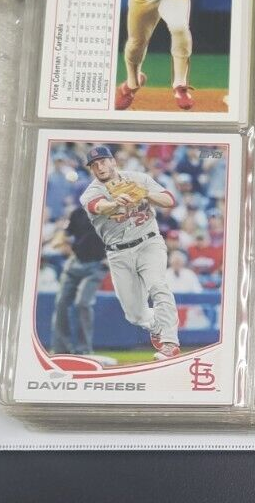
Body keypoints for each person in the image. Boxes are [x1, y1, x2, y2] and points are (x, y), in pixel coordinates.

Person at [79, 145, 181, 360]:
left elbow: (170, 200)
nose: (100, 167)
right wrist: (115, 202)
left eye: (103, 161)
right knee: (134, 314)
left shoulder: (138, 178)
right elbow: (98, 206)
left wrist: (145, 194)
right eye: (94, 165)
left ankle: (170, 342)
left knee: (158, 286)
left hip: (149, 243)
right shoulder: (90, 193)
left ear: (113, 161)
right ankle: (157, 326)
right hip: (119, 253)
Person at [49, 204, 108, 355]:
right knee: (61, 302)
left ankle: (84, 350)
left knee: (82, 303)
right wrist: (58, 239)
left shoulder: (112, 214)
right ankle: (61, 349)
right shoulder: (78, 212)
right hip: (75, 262)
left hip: (97, 264)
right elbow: (66, 231)